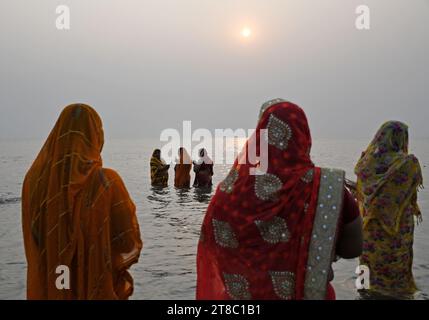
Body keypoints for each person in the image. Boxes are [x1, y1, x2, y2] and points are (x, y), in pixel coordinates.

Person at [196, 99, 362, 300]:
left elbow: (214, 247)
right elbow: (354, 248)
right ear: (303, 136)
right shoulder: (325, 185)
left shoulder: (229, 194)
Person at [21, 103, 143, 300]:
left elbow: (35, 242)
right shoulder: (106, 183)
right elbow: (127, 242)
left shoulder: (33, 183)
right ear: (95, 136)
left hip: (50, 289)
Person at [355, 121, 423, 298]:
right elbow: (407, 193)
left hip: (369, 225)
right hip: (397, 227)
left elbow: (362, 193)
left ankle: (362, 290)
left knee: (367, 261)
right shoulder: (408, 163)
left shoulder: (365, 163)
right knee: (396, 264)